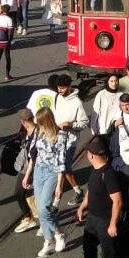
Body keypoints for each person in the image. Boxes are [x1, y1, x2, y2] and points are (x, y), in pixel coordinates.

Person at [73, 138, 122, 258]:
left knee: (108, 256)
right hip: (92, 218)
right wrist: (82, 207)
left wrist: (113, 223)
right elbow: (90, 191)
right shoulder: (95, 171)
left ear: (92, 155)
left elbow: (117, 200)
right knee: (88, 247)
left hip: (105, 221)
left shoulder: (107, 174)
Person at [23, 107, 68, 258]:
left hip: (52, 172)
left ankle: (59, 233)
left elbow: (61, 162)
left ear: (47, 121)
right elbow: (33, 155)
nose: (38, 125)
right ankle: (49, 241)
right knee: (40, 207)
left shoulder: (60, 135)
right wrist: (27, 175)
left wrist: (60, 185)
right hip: (38, 171)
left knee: (44, 209)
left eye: (41, 122)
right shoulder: (39, 132)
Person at [52, 75, 88, 206]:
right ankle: (77, 191)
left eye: (62, 88)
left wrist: (71, 125)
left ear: (69, 87)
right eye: (58, 88)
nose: (60, 90)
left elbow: (84, 123)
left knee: (65, 166)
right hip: (57, 137)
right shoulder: (57, 98)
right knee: (60, 166)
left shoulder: (77, 103)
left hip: (71, 140)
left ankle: (70, 194)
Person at [89, 74, 123, 139]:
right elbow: (95, 112)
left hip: (116, 128)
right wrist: (93, 130)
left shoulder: (121, 94)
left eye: (116, 81)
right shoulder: (101, 94)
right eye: (111, 81)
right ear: (108, 82)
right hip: (102, 129)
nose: (114, 83)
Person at [0, 4, 15, 83]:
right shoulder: (9, 19)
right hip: (5, 41)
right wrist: (9, 41)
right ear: (8, 11)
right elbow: (10, 33)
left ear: (1, 10)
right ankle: (7, 75)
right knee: (7, 58)